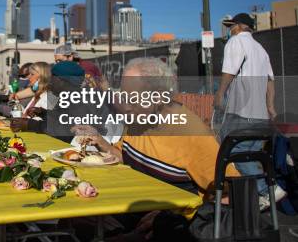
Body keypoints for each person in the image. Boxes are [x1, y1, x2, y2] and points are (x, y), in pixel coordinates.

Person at [84, 58, 240, 240]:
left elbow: (233, 194)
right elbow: (126, 156)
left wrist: (172, 217)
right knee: (74, 219)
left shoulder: (191, 133)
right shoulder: (137, 119)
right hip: (133, 211)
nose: (125, 106)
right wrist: (101, 142)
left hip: (169, 230)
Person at [214, 12, 283, 208]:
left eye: (232, 26)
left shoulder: (236, 43)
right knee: (251, 156)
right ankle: (258, 197)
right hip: (260, 116)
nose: (230, 30)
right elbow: (270, 80)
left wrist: (219, 94)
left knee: (233, 152)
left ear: (240, 26)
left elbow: (229, 71)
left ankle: (265, 189)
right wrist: (270, 106)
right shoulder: (261, 49)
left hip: (241, 113)